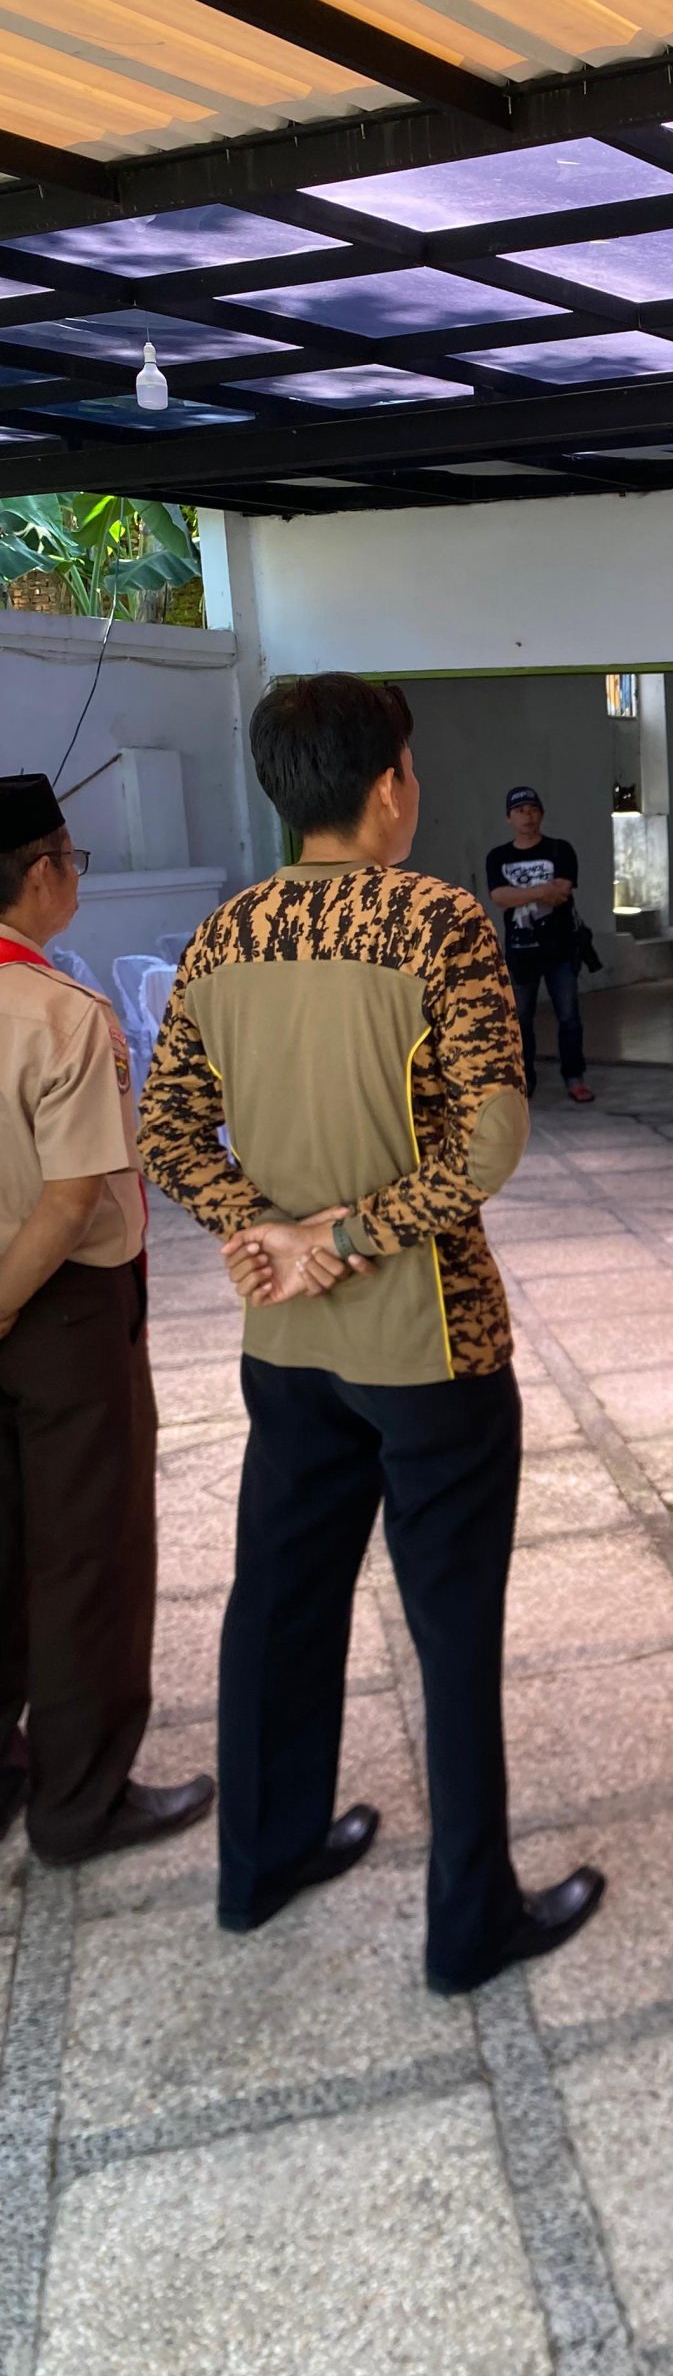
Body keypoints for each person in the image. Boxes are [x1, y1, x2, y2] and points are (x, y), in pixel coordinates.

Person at [140, 675, 603, 1996]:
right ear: (390, 784)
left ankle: (262, 1861)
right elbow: (492, 1138)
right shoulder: (438, 922)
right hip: (429, 1344)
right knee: (450, 1629)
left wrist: (265, 1233)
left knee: (278, 1602)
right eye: (410, 767)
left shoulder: (224, 934)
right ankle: (470, 1922)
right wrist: (344, 1236)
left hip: (286, 1345)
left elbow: (167, 1130)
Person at [0, 775, 212, 1864]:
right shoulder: (58, 1013)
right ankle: (81, 1802)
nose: (74, 877)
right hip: (60, 1317)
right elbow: (71, 1199)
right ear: (42, 872)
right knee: (87, 1551)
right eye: (72, 859)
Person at [486, 786, 592, 1104]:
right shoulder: (498, 857)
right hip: (521, 952)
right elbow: (498, 897)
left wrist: (520, 894)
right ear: (508, 818)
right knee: (520, 1019)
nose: (527, 816)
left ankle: (574, 1077)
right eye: (520, 811)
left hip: (560, 949)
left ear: (542, 814)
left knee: (569, 1016)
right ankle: (525, 1079)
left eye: (533, 810)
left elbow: (561, 892)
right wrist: (540, 891)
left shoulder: (560, 850)